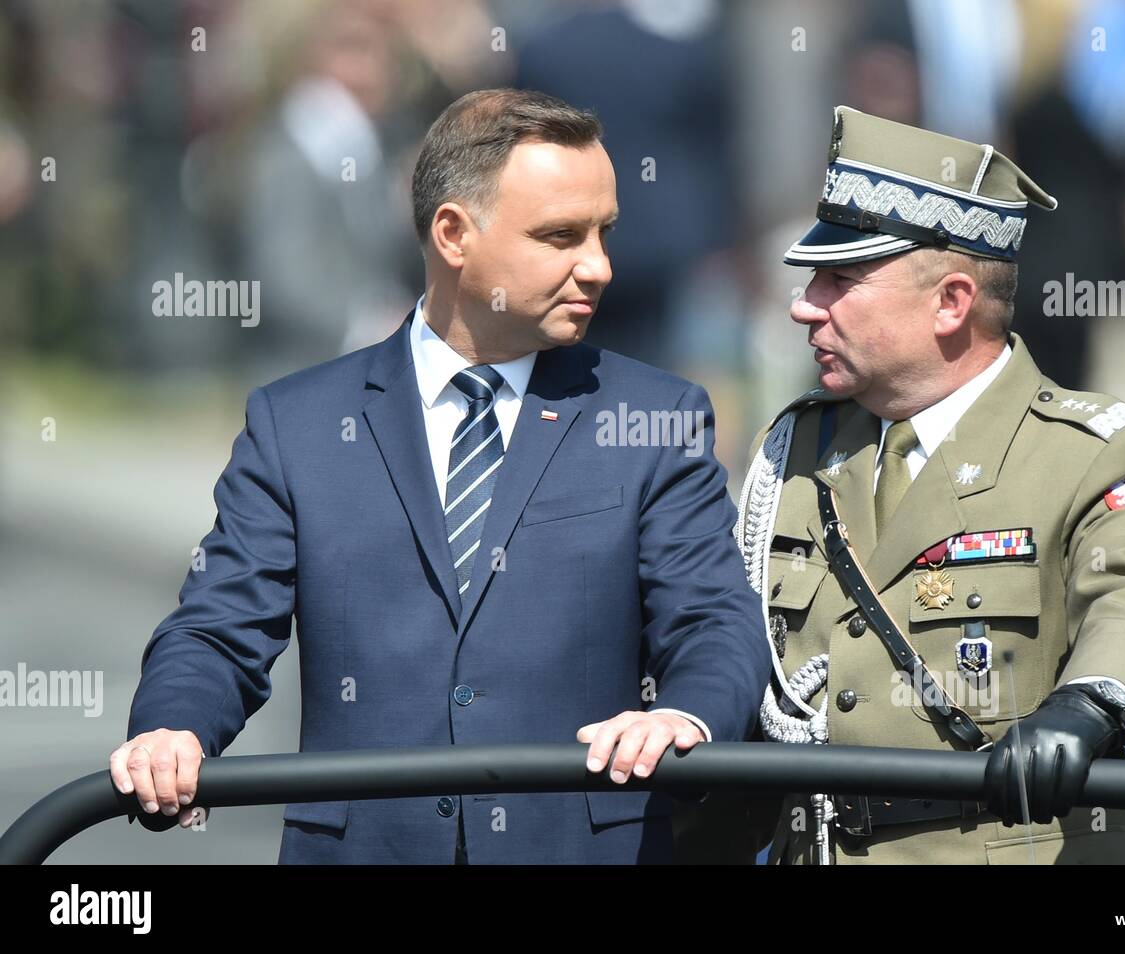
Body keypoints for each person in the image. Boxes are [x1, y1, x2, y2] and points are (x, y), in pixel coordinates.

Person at [111, 88, 769, 864]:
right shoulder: (300, 425)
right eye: (561, 236)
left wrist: (685, 717)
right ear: (454, 234)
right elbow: (219, 627)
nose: (599, 266)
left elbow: (714, 620)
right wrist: (171, 729)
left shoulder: (658, 419)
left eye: (604, 233)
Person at [710, 106, 1125, 864]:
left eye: (840, 278)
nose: (806, 304)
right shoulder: (795, 447)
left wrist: (1089, 703)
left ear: (951, 302)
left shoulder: (1095, 452)